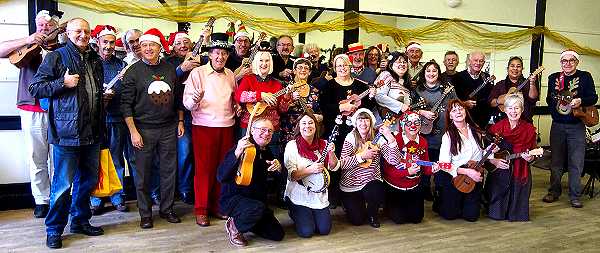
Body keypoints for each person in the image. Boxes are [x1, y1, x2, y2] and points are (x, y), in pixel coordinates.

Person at [28, 17, 106, 249]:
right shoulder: (57, 56)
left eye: (86, 31)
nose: (83, 34)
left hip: (92, 131)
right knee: (62, 186)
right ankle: (54, 229)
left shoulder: (94, 58)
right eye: (78, 31)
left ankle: (80, 221)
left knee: (87, 181)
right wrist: (62, 83)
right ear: (68, 33)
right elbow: (36, 87)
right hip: (66, 133)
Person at [120, 28, 184, 229]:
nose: (148, 49)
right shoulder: (133, 72)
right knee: (143, 174)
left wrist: (180, 121)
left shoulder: (169, 70)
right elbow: (125, 105)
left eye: (152, 45)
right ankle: (145, 213)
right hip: (143, 129)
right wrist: (133, 131)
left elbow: (177, 100)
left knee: (169, 171)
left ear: (159, 48)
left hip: (168, 128)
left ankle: (167, 209)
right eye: (144, 45)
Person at [0, 10, 60, 219]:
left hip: (57, 109)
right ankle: (41, 200)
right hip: (31, 108)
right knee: (36, 158)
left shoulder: (62, 49)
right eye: (41, 25)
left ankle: (58, 198)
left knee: (59, 158)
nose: (44, 28)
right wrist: (28, 39)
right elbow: (0, 50)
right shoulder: (25, 46)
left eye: (48, 25)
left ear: (56, 27)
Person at [183, 32, 236, 226]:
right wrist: (194, 99)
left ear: (227, 56)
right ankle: (201, 209)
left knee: (223, 169)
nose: (220, 57)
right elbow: (187, 104)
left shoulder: (230, 74)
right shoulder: (197, 73)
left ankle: (218, 206)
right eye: (216, 53)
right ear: (210, 54)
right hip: (204, 127)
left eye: (223, 53)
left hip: (227, 126)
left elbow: (233, 99)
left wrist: (238, 107)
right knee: (204, 170)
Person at [319, 53, 375, 208]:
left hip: (354, 131)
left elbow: (368, 109)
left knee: (354, 159)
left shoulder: (360, 85)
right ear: (335, 68)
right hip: (335, 129)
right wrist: (340, 107)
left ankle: (351, 194)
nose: (342, 68)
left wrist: (371, 97)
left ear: (350, 67)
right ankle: (334, 195)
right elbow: (323, 108)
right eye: (339, 66)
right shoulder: (328, 86)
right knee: (335, 161)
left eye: (345, 65)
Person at [543, 49, 598, 208]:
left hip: (577, 126)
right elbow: (548, 99)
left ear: (577, 62)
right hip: (558, 125)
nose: (567, 63)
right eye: (564, 61)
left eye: (571, 60)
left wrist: (580, 100)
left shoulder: (585, 76)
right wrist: (558, 101)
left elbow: (593, 97)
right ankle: (554, 191)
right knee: (556, 161)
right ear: (561, 63)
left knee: (576, 162)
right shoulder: (554, 78)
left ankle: (575, 196)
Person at [436, 99, 506, 222]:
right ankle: (440, 200)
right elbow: (443, 164)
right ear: (450, 115)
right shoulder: (448, 136)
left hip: (474, 176)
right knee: (450, 215)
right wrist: (467, 172)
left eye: (460, 108)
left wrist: (490, 151)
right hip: (456, 177)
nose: (458, 112)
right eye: (454, 110)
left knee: (471, 216)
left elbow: (481, 154)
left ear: (465, 111)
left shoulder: (476, 130)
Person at [218, 118, 285, 247]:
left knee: (277, 234)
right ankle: (234, 226)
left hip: (256, 201)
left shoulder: (267, 151)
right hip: (234, 199)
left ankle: (248, 221)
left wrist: (279, 167)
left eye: (270, 131)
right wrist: (237, 153)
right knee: (256, 208)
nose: (266, 134)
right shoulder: (241, 148)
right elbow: (221, 176)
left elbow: (278, 178)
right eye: (262, 130)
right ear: (252, 131)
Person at [88, 24, 130, 214]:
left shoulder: (122, 66)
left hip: (116, 119)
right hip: (94, 121)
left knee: (116, 159)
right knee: (94, 160)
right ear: (98, 42)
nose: (108, 46)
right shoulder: (89, 63)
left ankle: (117, 196)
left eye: (112, 43)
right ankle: (96, 198)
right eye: (105, 42)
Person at [165, 30, 205, 205]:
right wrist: (182, 69)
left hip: (202, 113)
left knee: (198, 153)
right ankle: (183, 188)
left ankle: (193, 188)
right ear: (173, 46)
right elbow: (164, 82)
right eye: (179, 42)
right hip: (178, 115)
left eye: (186, 42)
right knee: (184, 153)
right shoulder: (168, 63)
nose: (183, 45)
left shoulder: (201, 61)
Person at [338, 108, 396, 228]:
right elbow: (342, 163)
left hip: (370, 180)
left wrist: (390, 138)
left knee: (377, 188)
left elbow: (393, 160)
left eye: (366, 120)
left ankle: (372, 214)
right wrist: (362, 156)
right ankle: (349, 204)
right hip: (351, 184)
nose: (363, 123)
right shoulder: (350, 138)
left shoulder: (378, 138)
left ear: (371, 122)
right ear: (355, 122)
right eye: (360, 120)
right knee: (357, 220)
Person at [284, 113, 338, 237]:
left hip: (318, 194)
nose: (307, 126)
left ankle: (311, 214)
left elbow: (334, 167)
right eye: (304, 123)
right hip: (299, 194)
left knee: (324, 230)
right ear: (299, 126)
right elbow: (292, 176)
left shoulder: (324, 144)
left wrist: (331, 153)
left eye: (310, 123)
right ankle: (294, 211)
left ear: (316, 126)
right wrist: (310, 170)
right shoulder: (292, 146)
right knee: (307, 232)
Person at [382, 111, 440, 224]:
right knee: (399, 220)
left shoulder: (422, 141)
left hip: (414, 184)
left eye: (416, 122)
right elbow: (387, 169)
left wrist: (432, 169)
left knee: (417, 218)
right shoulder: (394, 140)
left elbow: (425, 164)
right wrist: (407, 171)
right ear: (403, 125)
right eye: (409, 123)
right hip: (395, 185)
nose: (413, 126)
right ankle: (388, 204)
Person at [486, 93, 537, 221]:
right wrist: (494, 160)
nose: (513, 111)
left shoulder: (529, 129)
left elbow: (533, 152)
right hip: (501, 170)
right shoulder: (496, 128)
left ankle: (515, 212)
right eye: (510, 108)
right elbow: (486, 152)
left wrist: (530, 158)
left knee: (518, 210)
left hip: (520, 168)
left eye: (517, 108)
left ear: (522, 109)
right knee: (496, 215)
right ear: (505, 109)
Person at [414, 61, 458, 201]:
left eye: (434, 71)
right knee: (426, 162)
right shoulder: (418, 90)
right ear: (424, 73)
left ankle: (440, 190)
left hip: (444, 135)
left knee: (442, 163)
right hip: (424, 134)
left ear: (439, 73)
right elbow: (409, 109)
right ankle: (425, 188)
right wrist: (423, 113)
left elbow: (456, 106)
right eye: (428, 71)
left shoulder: (447, 89)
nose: (431, 73)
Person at [280, 58, 323, 143]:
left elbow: (320, 112)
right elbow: (281, 109)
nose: (303, 70)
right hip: (289, 133)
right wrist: (289, 97)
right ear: (294, 71)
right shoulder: (286, 87)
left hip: (308, 134)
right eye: (300, 67)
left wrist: (319, 117)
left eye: (306, 68)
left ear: (309, 72)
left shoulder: (314, 91)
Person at [489, 56, 539, 123]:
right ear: (507, 68)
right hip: (503, 123)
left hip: (525, 122)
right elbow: (491, 103)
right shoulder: (500, 85)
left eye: (518, 66)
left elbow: (533, 98)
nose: (515, 68)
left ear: (522, 69)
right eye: (512, 66)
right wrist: (499, 101)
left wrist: (532, 83)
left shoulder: (528, 83)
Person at [452, 51, 493, 128]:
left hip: (482, 123)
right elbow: (452, 100)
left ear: (484, 63)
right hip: (463, 121)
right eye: (475, 60)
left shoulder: (486, 77)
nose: (478, 63)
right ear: (469, 62)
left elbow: (489, 98)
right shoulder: (457, 77)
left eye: (481, 61)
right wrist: (464, 103)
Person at [374, 51, 413, 120]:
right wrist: (400, 106)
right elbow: (379, 96)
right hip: (386, 121)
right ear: (391, 65)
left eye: (404, 62)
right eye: (398, 62)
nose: (402, 64)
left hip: (402, 121)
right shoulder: (386, 75)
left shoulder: (407, 83)